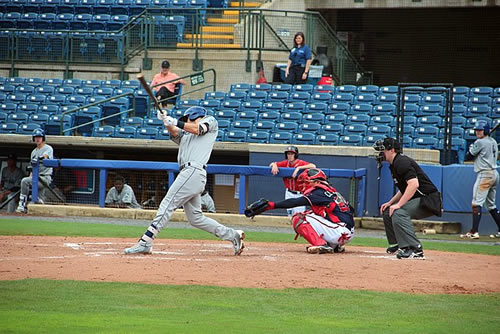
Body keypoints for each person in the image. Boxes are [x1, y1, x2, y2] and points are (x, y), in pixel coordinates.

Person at [124, 106, 245, 256]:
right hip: (189, 173)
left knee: (167, 204)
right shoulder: (186, 134)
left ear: (194, 115)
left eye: (186, 119)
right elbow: (175, 132)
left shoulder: (210, 121)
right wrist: (165, 121)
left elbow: (197, 129)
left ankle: (146, 241)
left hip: (193, 170)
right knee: (195, 218)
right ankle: (233, 235)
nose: (185, 122)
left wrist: (174, 121)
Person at [245, 168, 355, 254]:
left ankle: (321, 244)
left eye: (306, 182)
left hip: (339, 231)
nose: (304, 185)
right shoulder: (332, 192)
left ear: (316, 181)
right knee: (311, 214)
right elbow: (351, 209)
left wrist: (271, 205)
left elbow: (294, 202)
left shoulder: (318, 192)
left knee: (299, 217)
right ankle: (334, 245)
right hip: (345, 231)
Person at [373, 137, 440, 259]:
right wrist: (390, 202)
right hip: (420, 199)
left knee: (399, 213)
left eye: (383, 150)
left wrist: (398, 205)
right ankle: (399, 244)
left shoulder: (401, 162)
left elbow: (414, 185)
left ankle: (415, 248)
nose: (381, 154)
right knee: (388, 211)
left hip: (428, 200)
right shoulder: (394, 164)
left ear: (392, 150)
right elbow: (405, 189)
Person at [461, 120, 500, 239]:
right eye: (477, 130)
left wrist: (472, 147)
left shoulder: (480, 142)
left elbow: (468, 157)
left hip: (485, 174)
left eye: (480, 130)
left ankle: (474, 231)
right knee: (491, 205)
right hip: (494, 173)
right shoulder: (493, 141)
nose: (478, 132)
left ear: (486, 131)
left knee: (476, 203)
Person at [269, 146, 316, 217]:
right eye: (288, 154)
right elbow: (272, 164)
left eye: (292, 154)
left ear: (295, 155)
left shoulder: (300, 163)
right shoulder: (285, 163)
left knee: (300, 216)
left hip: (299, 194)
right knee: (290, 215)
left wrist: (299, 168)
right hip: (289, 192)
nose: (290, 156)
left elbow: (313, 166)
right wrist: (274, 165)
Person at [16, 128, 54, 213]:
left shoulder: (48, 148)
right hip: (36, 178)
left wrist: (38, 159)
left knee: (24, 181)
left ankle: (21, 205)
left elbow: (45, 156)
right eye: (36, 137)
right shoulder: (33, 152)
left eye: (39, 137)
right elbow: (32, 168)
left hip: (44, 178)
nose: (37, 139)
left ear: (43, 138)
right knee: (38, 203)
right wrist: (30, 178)